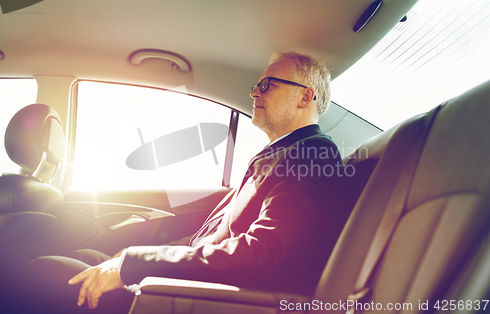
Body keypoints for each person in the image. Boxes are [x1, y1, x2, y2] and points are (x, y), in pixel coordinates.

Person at [25, 52, 354, 313]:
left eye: (267, 85)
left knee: (46, 272)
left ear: (305, 97)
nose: (254, 91)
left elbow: (264, 253)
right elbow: (208, 238)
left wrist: (136, 266)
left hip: (199, 297)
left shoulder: (312, 154)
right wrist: (137, 256)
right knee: (87, 256)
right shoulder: (281, 153)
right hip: (187, 283)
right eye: (257, 85)